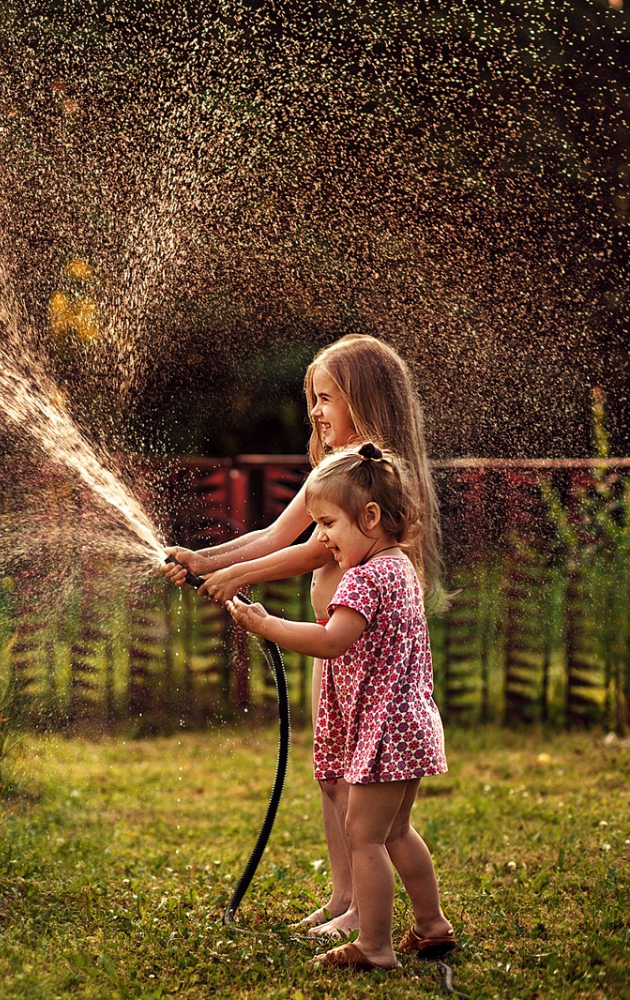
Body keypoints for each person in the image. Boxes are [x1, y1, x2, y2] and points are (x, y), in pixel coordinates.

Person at [159, 333, 445, 938]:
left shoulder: (378, 478)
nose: (316, 411)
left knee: (353, 783)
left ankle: (363, 914)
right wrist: (203, 559)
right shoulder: (331, 469)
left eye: (328, 398)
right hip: (331, 650)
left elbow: (313, 548)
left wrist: (236, 576)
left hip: (363, 656)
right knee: (330, 773)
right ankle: (346, 896)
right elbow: (272, 535)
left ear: (365, 400)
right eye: (313, 398)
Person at [226, 443, 455, 971]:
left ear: (370, 517)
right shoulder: (401, 570)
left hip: (385, 733)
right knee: (396, 832)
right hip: (412, 725)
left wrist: (266, 625)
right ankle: (432, 925)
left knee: (365, 836)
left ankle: (375, 946)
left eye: (328, 523)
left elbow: (332, 641)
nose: (322, 538)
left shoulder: (365, 578)